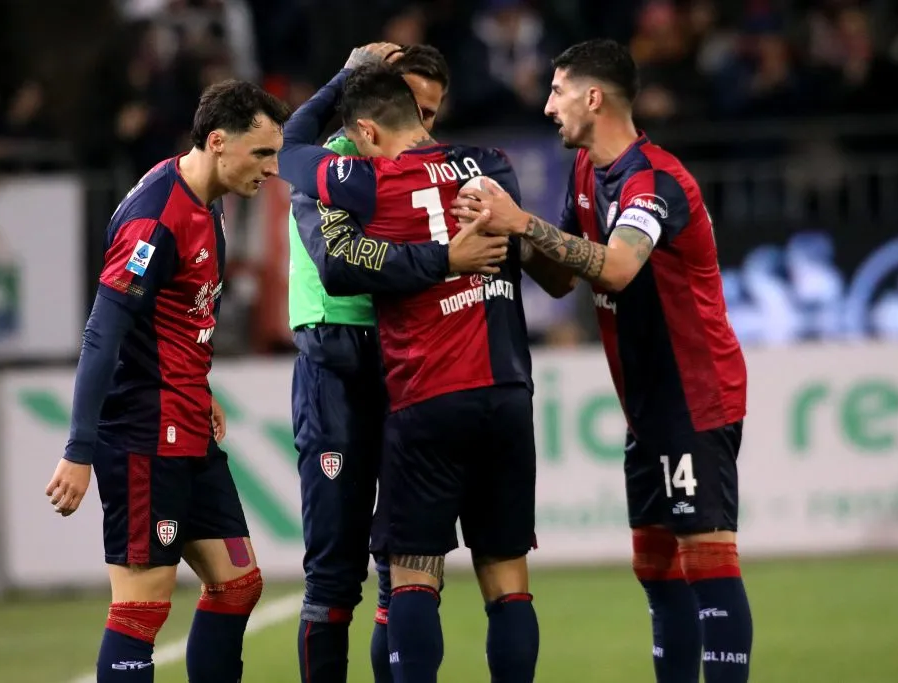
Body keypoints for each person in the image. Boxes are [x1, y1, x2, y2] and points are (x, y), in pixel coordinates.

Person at [452, 39, 753, 683]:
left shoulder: (654, 181)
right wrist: (506, 228)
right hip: (645, 403)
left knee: (705, 556)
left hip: (693, 395)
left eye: (556, 91)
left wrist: (524, 223)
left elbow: (616, 269)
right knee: (653, 564)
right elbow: (565, 281)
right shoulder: (589, 172)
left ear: (594, 97)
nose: (546, 106)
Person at [279, 59, 541, 683]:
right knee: (506, 578)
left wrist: (340, 80)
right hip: (506, 389)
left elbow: (290, 153)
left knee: (412, 575)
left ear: (367, 131)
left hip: (426, 393)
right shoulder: (491, 165)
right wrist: (455, 255)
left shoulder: (363, 182)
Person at [43, 80, 291, 683]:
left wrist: (200, 390)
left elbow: (177, 315)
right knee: (141, 608)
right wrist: (79, 450)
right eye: (262, 154)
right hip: (142, 435)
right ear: (217, 142)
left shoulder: (207, 197)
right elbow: (103, 334)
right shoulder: (155, 220)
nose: (273, 168)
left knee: (237, 584)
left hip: (187, 425)